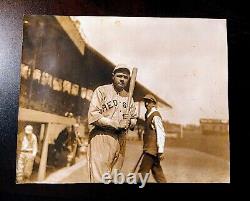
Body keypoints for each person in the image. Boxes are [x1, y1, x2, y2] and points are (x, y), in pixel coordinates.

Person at [87, 64, 137, 182]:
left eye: (125, 77)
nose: (122, 79)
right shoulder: (101, 91)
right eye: (119, 76)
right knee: (100, 179)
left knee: (114, 179)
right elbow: (93, 116)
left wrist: (130, 121)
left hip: (121, 139)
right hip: (102, 136)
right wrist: (116, 123)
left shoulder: (129, 97)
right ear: (113, 76)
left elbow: (134, 121)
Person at [137, 94, 167, 183]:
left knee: (142, 172)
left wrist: (160, 150)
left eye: (148, 102)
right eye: (145, 102)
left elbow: (161, 133)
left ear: (153, 103)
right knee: (157, 173)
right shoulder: (148, 115)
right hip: (149, 149)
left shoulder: (155, 115)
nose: (146, 104)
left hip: (151, 151)